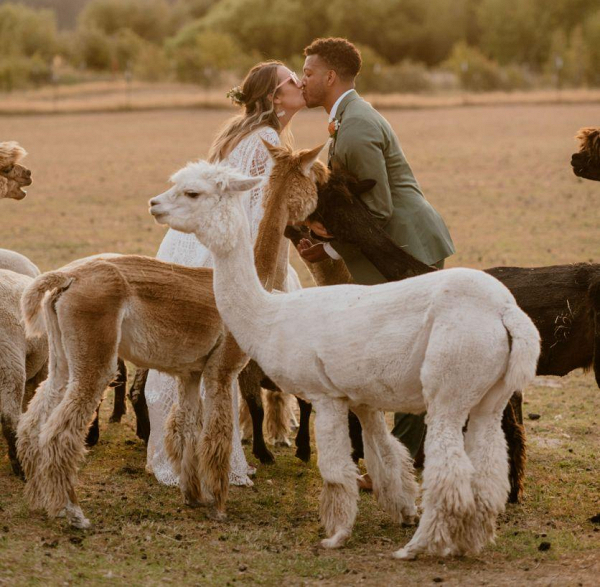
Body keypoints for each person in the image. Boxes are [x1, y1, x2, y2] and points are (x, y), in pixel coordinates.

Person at [146, 61, 306, 488]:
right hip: (217, 252)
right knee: (221, 361)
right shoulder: (267, 138)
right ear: (275, 97)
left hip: (187, 247)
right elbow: (258, 211)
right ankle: (216, 458)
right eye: (293, 79)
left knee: (188, 357)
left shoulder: (236, 131)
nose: (300, 82)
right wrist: (256, 271)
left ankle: (177, 451)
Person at [299, 37, 455, 472]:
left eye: (308, 73)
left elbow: (378, 209)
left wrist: (329, 240)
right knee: (408, 350)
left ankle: (400, 465)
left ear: (330, 77)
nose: (302, 79)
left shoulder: (356, 126)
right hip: (395, 245)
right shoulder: (347, 118)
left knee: (410, 354)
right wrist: (327, 244)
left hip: (405, 248)